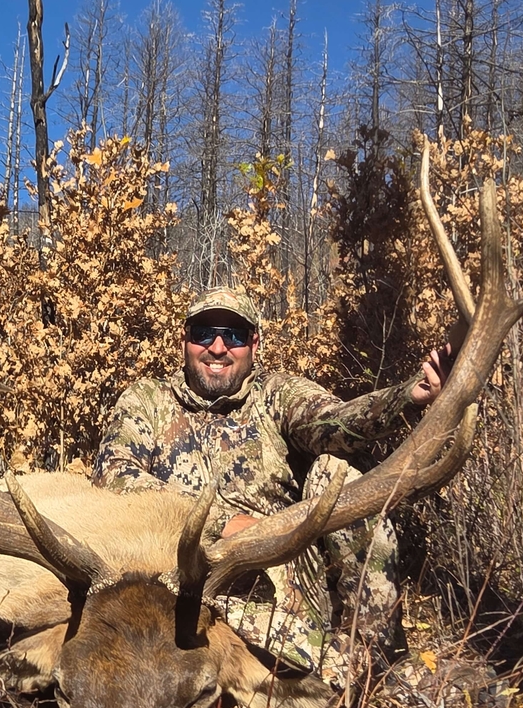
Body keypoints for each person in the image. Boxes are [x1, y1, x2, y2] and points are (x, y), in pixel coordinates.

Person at [91, 286, 460, 687]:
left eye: (233, 335)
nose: (217, 347)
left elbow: (336, 424)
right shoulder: (148, 400)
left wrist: (407, 395)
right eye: (203, 333)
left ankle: (367, 656)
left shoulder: (277, 393)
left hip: (288, 586)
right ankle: (322, 675)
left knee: (338, 470)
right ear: (184, 340)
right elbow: (114, 476)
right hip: (184, 592)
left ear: (254, 343)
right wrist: (223, 523)